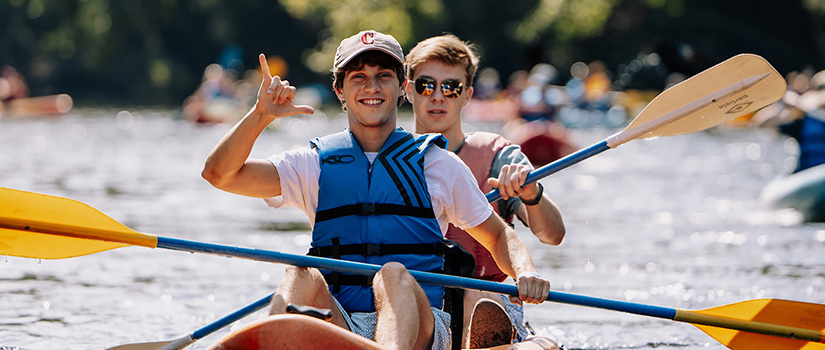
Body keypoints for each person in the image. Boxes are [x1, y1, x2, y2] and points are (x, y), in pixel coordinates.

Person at [201, 30, 551, 350]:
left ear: (401, 88)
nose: (372, 87)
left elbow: (498, 236)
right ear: (340, 90)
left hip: (420, 326)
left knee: (393, 273)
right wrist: (260, 116)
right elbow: (219, 175)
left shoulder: (439, 164)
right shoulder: (312, 164)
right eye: (359, 78)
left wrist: (525, 272)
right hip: (342, 324)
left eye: (384, 76)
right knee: (299, 271)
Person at [404, 34, 565, 348]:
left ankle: (498, 337)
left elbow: (553, 235)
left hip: (487, 296)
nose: (438, 96)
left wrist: (531, 195)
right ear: (409, 90)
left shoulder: (499, 157)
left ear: (466, 96)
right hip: (417, 302)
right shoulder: (386, 157)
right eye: (426, 85)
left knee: (480, 296)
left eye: (451, 87)